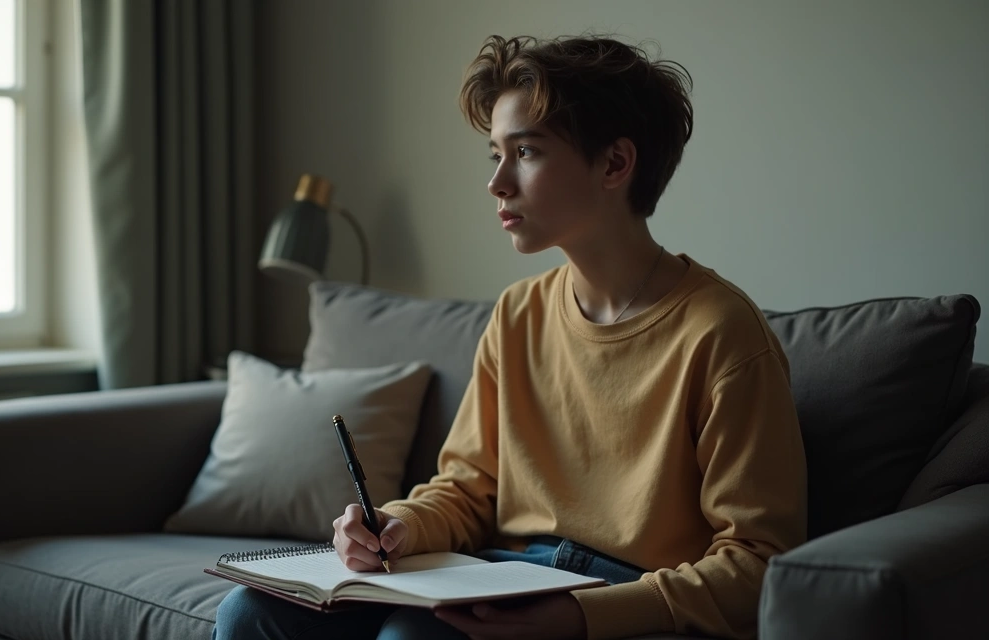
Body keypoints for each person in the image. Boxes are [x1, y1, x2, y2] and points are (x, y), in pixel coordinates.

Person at [213, 33, 807, 640]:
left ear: (614, 163)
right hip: (503, 573)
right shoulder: (518, 313)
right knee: (248, 615)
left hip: (625, 593)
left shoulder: (723, 333)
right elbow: (467, 489)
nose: (498, 182)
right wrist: (398, 525)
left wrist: (580, 616)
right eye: (495, 154)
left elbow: (758, 562)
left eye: (525, 152)